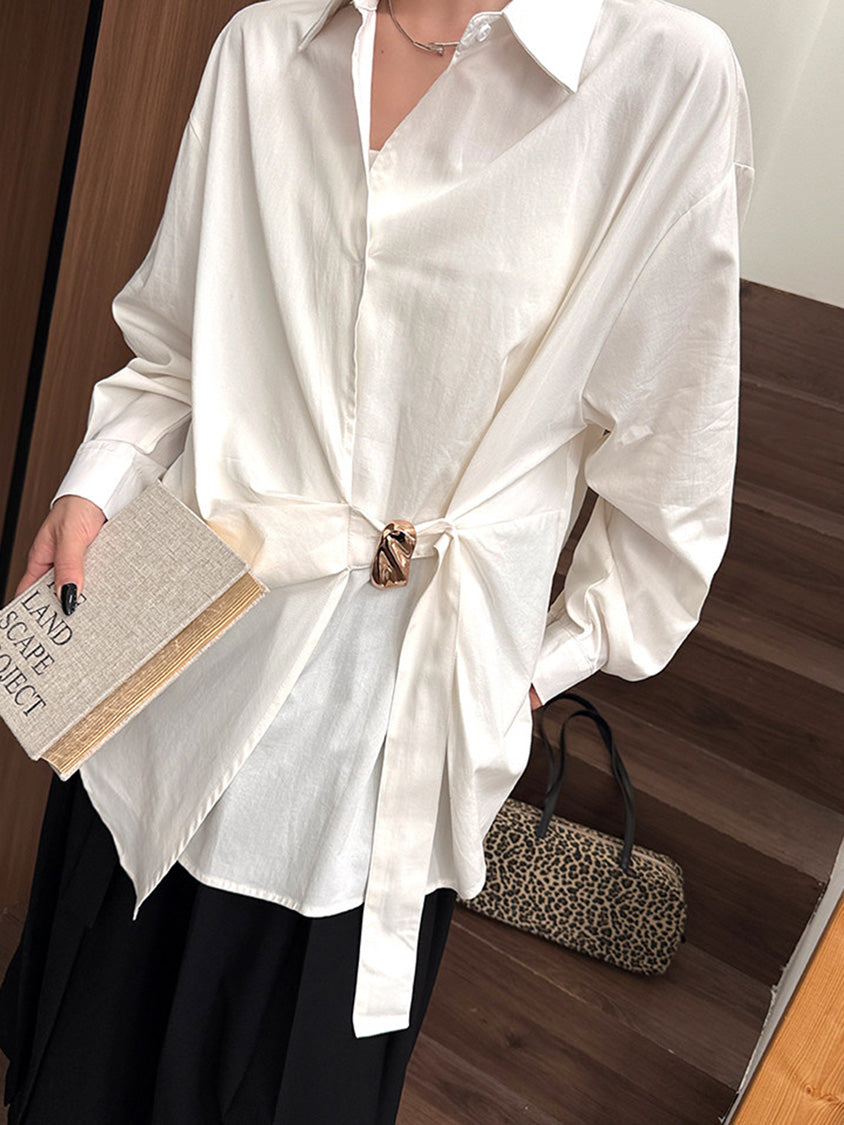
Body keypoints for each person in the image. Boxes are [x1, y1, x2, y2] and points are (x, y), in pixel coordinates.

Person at [0, 0, 755, 1120]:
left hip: (365, 763)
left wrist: (525, 669)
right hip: (155, 676)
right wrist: (93, 484)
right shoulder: (265, 45)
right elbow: (174, 350)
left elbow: (671, 485)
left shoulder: (661, 81)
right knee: (72, 1075)